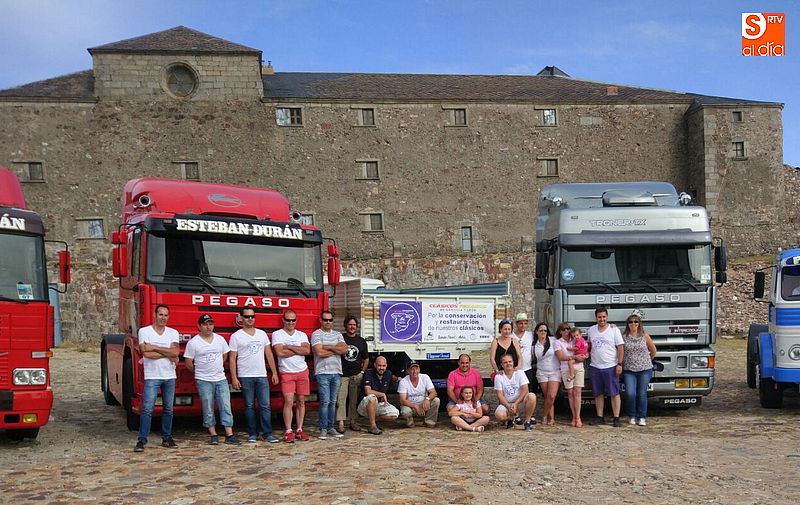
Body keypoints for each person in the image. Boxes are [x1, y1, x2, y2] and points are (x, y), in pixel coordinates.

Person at [184, 314, 240, 445]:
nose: (208, 327)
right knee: (208, 407)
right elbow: (188, 362)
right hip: (203, 380)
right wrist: (200, 371)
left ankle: (229, 433)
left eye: (210, 324)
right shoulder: (194, 343)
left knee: (226, 405)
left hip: (220, 378)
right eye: (205, 324)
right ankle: (213, 433)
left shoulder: (220, 339)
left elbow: (225, 355)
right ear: (199, 326)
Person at [229, 308, 280, 444]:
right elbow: (232, 358)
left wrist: (274, 372)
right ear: (241, 318)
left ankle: (267, 433)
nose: (250, 319)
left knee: (265, 405)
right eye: (247, 317)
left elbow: (268, 354)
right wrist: (234, 377)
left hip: (261, 375)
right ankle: (252, 433)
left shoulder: (262, 334)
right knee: (249, 406)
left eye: (252, 316)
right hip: (245, 375)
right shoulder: (236, 336)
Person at [134, 304, 180, 452]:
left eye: (166, 315)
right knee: (147, 409)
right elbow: (146, 353)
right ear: (155, 315)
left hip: (169, 376)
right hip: (152, 376)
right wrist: (168, 353)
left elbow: (175, 352)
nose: (163, 318)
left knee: (168, 409)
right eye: (161, 315)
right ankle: (142, 439)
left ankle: (167, 437)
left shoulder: (173, 332)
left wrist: (154, 347)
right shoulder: (144, 331)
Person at [271, 309, 311, 442]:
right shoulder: (277, 334)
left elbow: (307, 350)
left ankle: (299, 428)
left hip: (302, 371)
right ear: (283, 320)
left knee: (301, 401)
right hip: (287, 372)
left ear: (296, 320)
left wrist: (289, 347)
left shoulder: (301, 335)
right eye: (288, 320)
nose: (290, 322)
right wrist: (298, 350)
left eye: (293, 320)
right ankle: (288, 430)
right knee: (288, 401)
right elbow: (280, 353)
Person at [311, 310, 348, 439]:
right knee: (325, 402)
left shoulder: (338, 334)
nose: (328, 322)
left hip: (336, 372)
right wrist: (335, 349)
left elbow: (344, 350)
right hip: (322, 372)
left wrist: (326, 347)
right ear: (321, 320)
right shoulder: (316, 334)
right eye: (325, 320)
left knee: (333, 402)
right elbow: (319, 353)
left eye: (330, 320)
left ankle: (331, 427)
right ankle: (323, 428)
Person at [587, 307, 625, 427]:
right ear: (596, 318)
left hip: (610, 366)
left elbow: (620, 347)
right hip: (595, 366)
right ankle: (600, 416)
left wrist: (619, 364)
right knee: (598, 394)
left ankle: (616, 418)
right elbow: (588, 345)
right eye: (599, 317)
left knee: (614, 393)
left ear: (607, 317)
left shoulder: (614, 330)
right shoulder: (591, 330)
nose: (602, 319)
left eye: (604, 317)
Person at [622, 314, 657, 426]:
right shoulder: (623, 336)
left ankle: (641, 416)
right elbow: (620, 351)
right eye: (631, 322)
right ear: (628, 324)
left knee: (642, 393)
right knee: (630, 393)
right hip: (629, 370)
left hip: (644, 370)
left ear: (639, 323)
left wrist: (647, 360)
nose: (633, 324)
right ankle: (632, 415)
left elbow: (653, 350)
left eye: (636, 322)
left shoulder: (644, 335)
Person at [336, 315, 369, 434]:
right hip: (343, 374)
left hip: (356, 374)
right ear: (346, 326)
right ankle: (340, 422)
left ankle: (353, 421)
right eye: (350, 324)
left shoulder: (361, 341)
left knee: (354, 399)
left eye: (354, 325)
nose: (352, 327)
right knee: (341, 399)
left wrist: (362, 371)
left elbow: (366, 358)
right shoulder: (341, 339)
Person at [554, 325, 587, 427]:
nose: (566, 331)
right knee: (570, 393)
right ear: (560, 332)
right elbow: (560, 357)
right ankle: (574, 416)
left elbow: (584, 348)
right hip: (566, 368)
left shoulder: (575, 339)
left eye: (568, 329)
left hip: (579, 367)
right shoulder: (558, 342)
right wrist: (575, 357)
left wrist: (585, 355)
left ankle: (578, 417)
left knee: (577, 392)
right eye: (563, 330)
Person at [494, 353, 537, 430]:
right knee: (499, 415)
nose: (508, 364)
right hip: (507, 403)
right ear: (502, 365)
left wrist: (516, 403)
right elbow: (499, 395)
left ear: (513, 362)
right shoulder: (498, 377)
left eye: (510, 361)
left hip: (520, 402)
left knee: (532, 396)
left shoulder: (520, 373)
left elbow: (525, 390)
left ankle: (527, 421)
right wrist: (508, 406)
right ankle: (511, 419)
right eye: (505, 362)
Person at [357, 355, 400, 434]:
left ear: (386, 366)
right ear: (375, 365)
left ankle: (372, 419)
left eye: (383, 366)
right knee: (372, 397)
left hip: (378, 405)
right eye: (379, 365)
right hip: (365, 405)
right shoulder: (368, 373)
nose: (381, 368)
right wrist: (382, 394)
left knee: (394, 414)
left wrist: (399, 378)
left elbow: (394, 378)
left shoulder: (388, 374)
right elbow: (368, 391)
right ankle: (372, 426)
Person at [533, 322, 560, 426]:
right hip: (542, 372)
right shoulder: (535, 345)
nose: (543, 332)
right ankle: (551, 418)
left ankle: (544, 415)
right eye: (541, 330)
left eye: (545, 330)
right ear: (537, 332)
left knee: (552, 396)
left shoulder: (553, 341)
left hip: (554, 371)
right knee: (547, 396)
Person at [398, 360, 440, 428]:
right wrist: (415, 406)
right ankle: (410, 423)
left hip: (423, 403)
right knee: (405, 411)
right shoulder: (403, 381)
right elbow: (402, 400)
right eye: (412, 369)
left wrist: (427, 399)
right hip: (410, 405)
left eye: (416, 369)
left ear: (419, 369)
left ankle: (429, 422)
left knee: (436, 400)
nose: (415, 371)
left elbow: (434, 392)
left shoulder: (425, 377)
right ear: (408, 371)